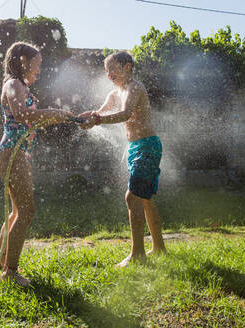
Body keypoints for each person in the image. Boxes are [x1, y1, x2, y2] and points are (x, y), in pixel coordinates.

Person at [0, 41, 74, 286]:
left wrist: (62, 117)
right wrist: (53, 112)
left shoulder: (20, 85)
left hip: (16, 153)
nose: (39, 70)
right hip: (12, 153)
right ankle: (10, 272)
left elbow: (31, 121)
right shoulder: (13, 83)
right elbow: (22, 116)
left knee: (17, 211)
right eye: (37, 65)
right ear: (23, 61)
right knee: (27, 212)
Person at [79, 51, 166, 267]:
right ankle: (159, 248)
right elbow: (101, 112)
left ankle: (138, 254)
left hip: (147, 146)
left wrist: (98, 120)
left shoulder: (135, 88)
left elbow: (125, 114)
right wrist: (89, 119)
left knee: (132, 197)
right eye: (106, 70)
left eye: (113, 69)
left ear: (127, 66)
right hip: (135, 147)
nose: (109, 74)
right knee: (145, 198)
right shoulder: (115, 93)